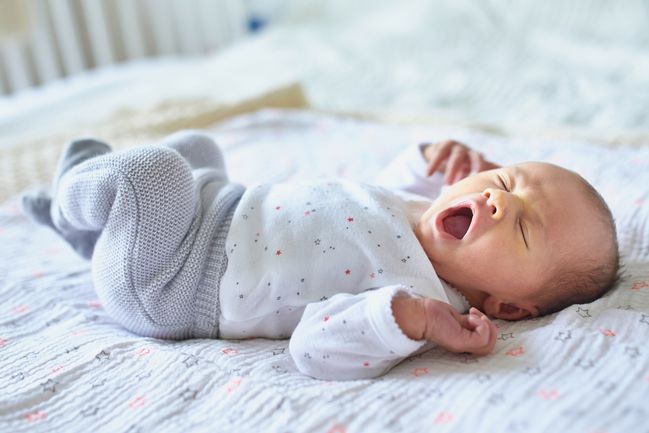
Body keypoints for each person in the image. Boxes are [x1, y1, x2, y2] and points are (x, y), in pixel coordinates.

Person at [21, 132, 620, 380]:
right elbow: (366, 196)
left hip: (172, 280)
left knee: (152, 174)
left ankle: (74, 200)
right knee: (197, 147)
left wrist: (408, 319)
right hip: (215, 209)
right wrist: (427, 160)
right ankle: (94, 234)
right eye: (507, 181)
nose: (496, 202)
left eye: (522, 229)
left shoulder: (420, 295)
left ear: (508, 306)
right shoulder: (419, 211)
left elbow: (314, 349)